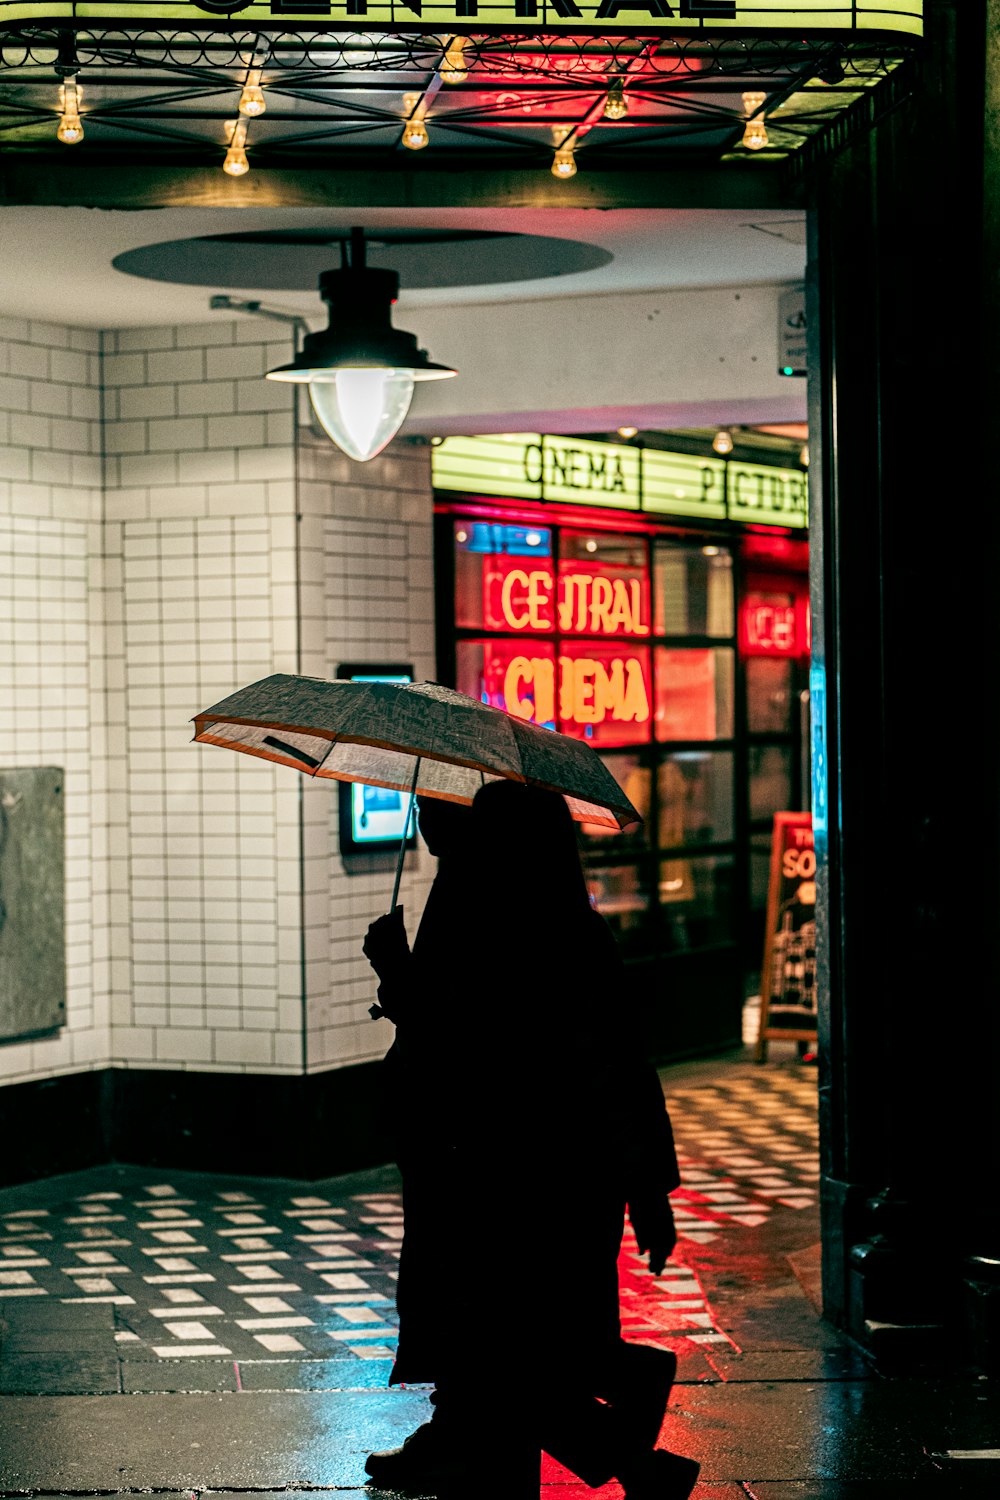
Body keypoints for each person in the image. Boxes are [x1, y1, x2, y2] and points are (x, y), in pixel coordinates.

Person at [363, 781, 699, 1500]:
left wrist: (400, 982)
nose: (427, 820)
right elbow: (617, 1062)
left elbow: (481, 1053)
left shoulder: (510, 926)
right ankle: (479, 1441)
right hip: (531, 1177)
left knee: (504, 1363)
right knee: (506, 1359)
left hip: (517, 1183)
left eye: (445, 812)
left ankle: (631, 1454)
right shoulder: (551, 920)